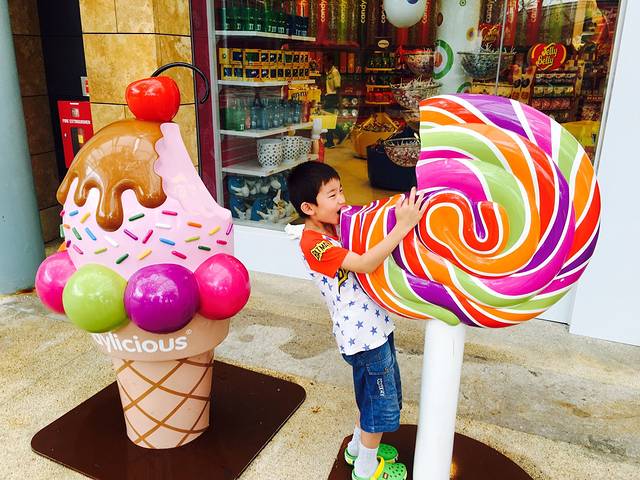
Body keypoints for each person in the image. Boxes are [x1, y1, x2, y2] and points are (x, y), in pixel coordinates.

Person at [287, 162, 426, 480]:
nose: (342, 199)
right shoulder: (314, 244)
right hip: (362, 337)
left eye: (341, 191)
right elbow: (364, 263)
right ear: (308, 207)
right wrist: (402, 227)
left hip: (376, 325)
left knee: (375, 396)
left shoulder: (334, 227)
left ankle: (356, 449)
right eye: (332, 195)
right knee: (380, 405)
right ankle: (366, 469)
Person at [323, 54, 341, 148]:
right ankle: (340, 134)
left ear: (330, 62)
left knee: (328, 119)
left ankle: (330, 142)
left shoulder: (335, 72)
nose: (324, 63)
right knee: (329, 119)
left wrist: (339, 101)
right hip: (328, 97)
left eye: (325, 61)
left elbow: (338, 87)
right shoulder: (328, 72)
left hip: (332, 97)